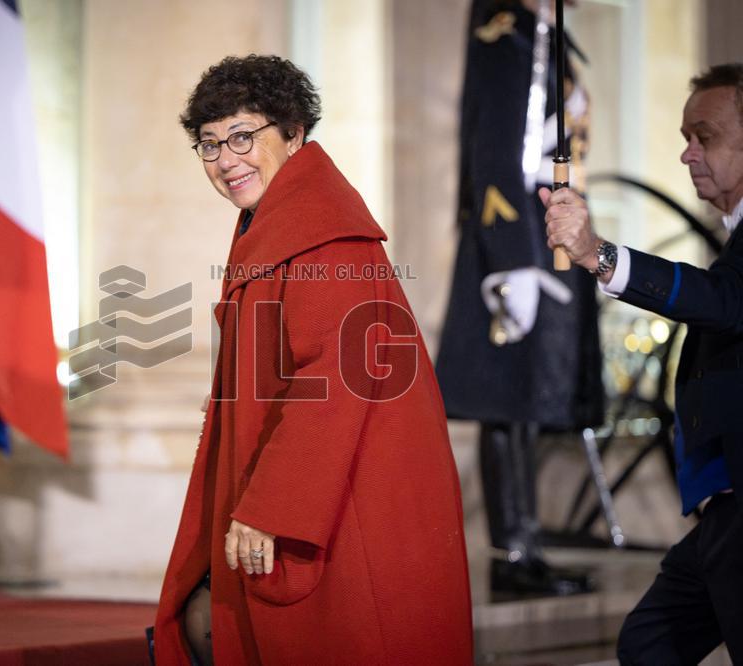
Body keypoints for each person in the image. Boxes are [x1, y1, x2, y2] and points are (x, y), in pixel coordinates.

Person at [152, 55, 473, 665]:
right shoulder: (281, 218)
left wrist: (272, 508)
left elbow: (334, 380)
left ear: (293, 133)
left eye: (242, 136)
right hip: (328, 484)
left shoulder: (321, 231)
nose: (225, 160)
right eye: (210, 144)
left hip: (346, 499)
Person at [544, 63, 743, 664]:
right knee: (649, 643)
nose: (687, 154)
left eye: (705, 137)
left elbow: (724, 301)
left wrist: (597, 254)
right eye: (685, 137)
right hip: (723, 510)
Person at [436, 0, 603, 596]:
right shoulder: (508, 33)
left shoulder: (545, 34)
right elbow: (495, 149)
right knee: (508, 398)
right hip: (519, 236)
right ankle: (512, 554)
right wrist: (512, 257)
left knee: (531, 397)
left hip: (549, 224)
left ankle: (527, 548)